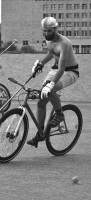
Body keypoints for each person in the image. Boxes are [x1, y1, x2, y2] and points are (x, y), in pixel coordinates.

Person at [27, 17, 79, 147]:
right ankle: (40, 134)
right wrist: (41, 63)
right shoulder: (49, 40)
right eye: (44, 31)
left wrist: (51, 85)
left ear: (56, 29)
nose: (46, 34)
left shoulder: (64, 43)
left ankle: (60, 115)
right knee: (41, 101)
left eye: (49, 31)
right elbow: (51, 53)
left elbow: (61, 69)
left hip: (69, 71)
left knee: (51, 89)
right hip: (56, 69)